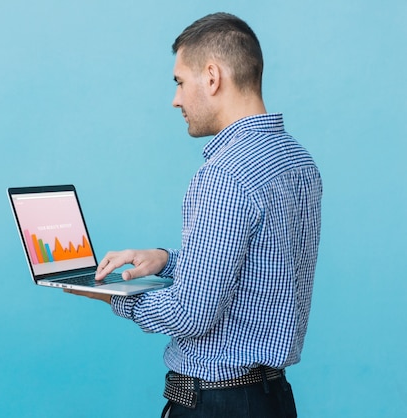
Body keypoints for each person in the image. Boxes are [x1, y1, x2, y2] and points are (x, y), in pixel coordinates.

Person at [66, 12, 322, 418]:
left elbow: (190, 314)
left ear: (212, 76)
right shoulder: (298, 162)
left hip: (218, 404)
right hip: (274, 399)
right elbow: (257, 268)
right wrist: (167, 259)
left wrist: (112, 294)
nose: (176, 99)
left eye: (179, 82)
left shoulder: (223, 174)